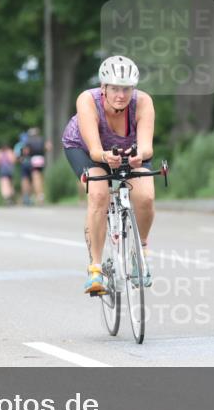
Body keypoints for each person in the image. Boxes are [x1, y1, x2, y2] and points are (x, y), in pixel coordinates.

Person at [61, 55, 156, 293]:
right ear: (103, 87)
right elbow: (94, 150)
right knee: (98, 195)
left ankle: (141, 252)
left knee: (145, 196)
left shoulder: (143, 102)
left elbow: (147, 147)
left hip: (128, 152)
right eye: (114, 88)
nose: (121, 95)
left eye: (126, 89)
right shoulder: (87, 100)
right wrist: (105, 157)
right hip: (86, 149)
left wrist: (137, 157)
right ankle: (95, 269)